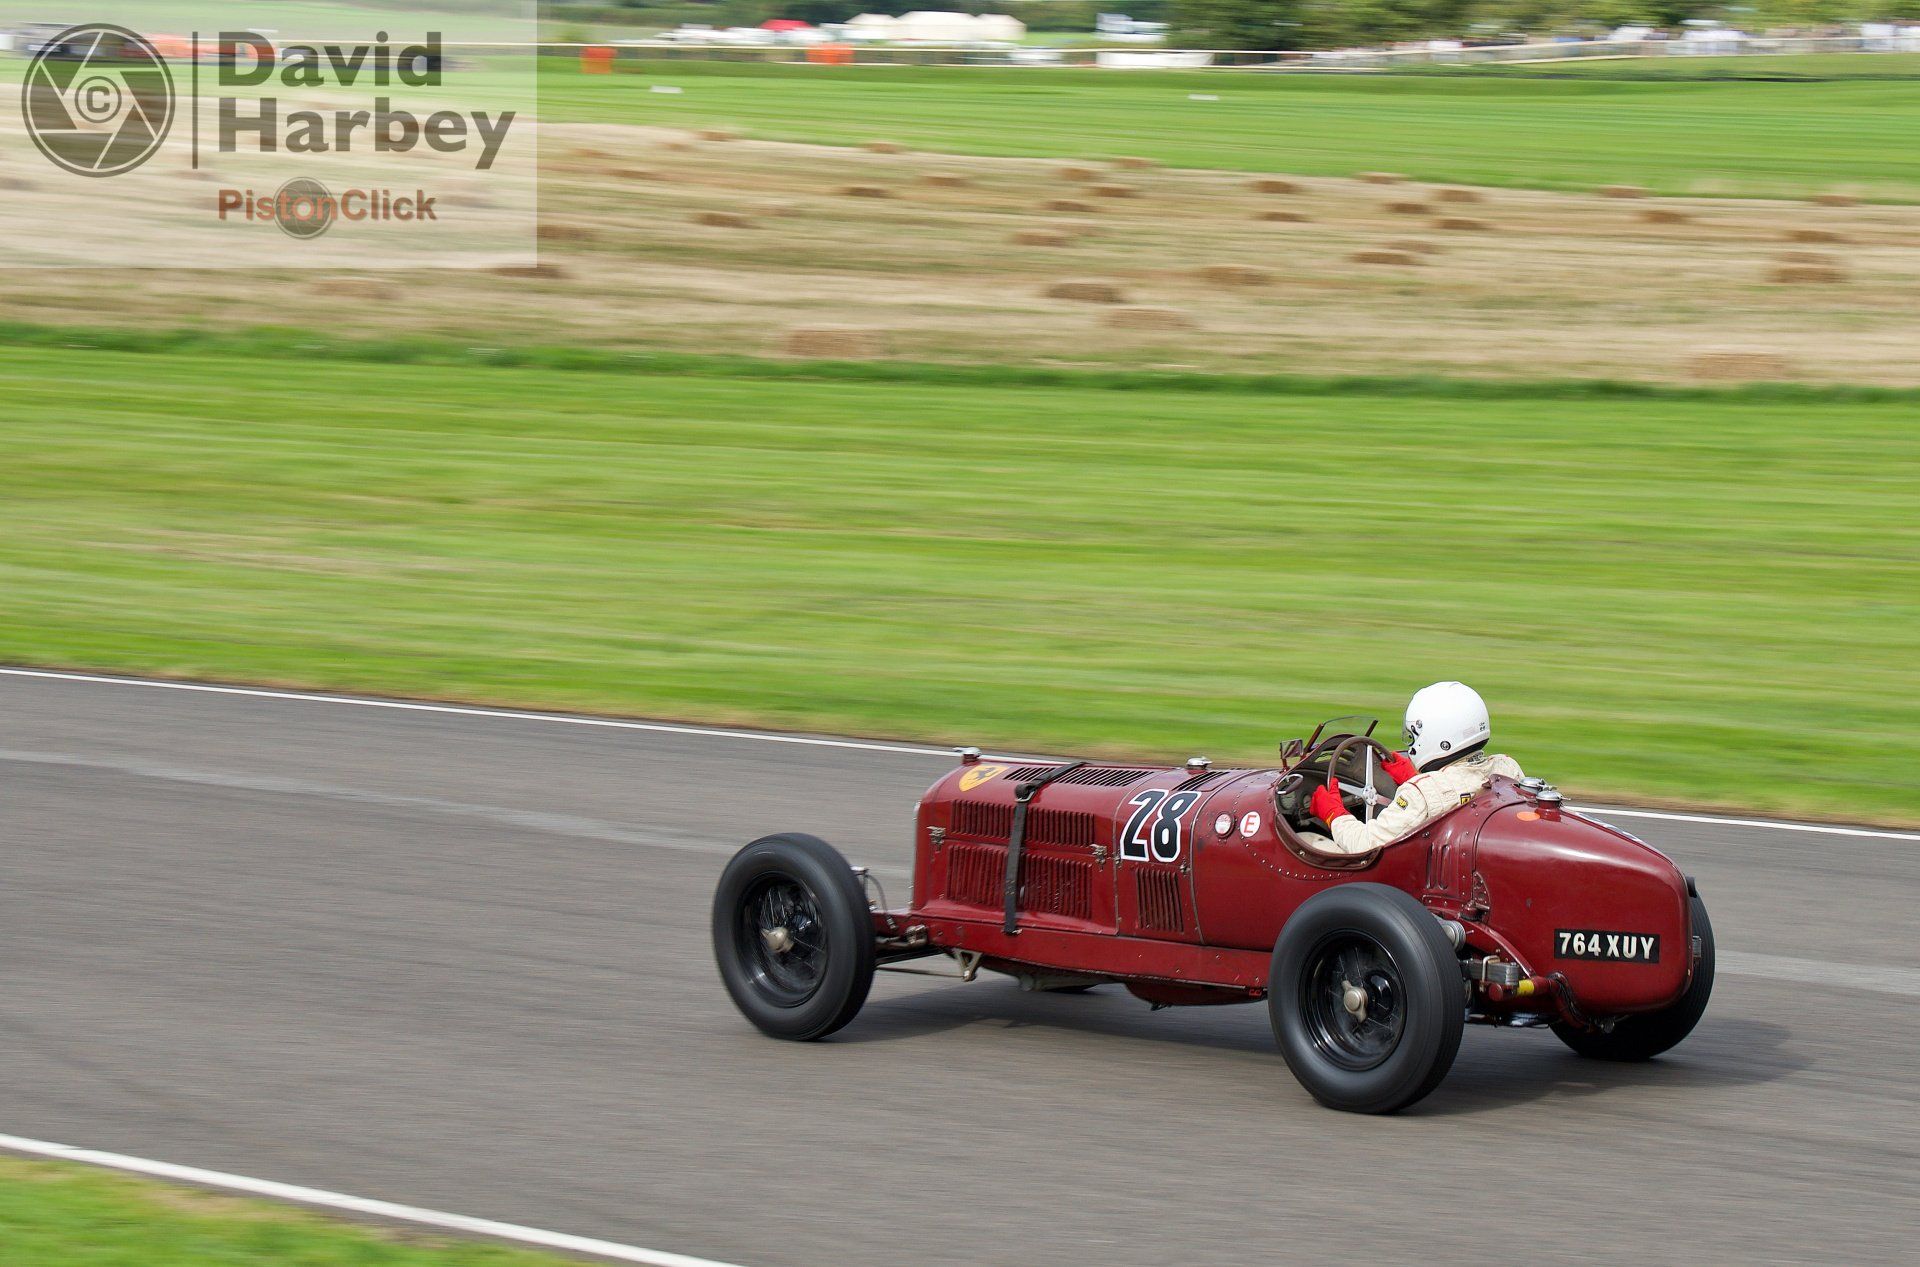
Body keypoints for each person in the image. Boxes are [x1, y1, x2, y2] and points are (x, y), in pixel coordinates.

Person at [1305, 681, 1523, 856]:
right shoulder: (1507, 767)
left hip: (1414, 882)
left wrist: (1334, 814)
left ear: (1439, 738)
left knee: (1308, 840)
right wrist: (1415, 777)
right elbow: (1458, 787)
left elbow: (1364, 846)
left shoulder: (1420, 795)